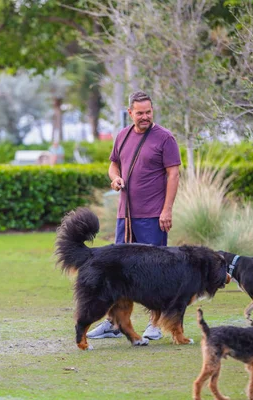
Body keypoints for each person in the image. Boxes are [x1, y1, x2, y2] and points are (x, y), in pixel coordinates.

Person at [86, 90, 181, 341]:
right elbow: (113, 163)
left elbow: (174, 175)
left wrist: (167, 209)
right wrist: (115, 178)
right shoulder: (122, 136)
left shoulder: (165, 138)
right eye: (140, 113)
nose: (145, 117)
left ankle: (155, 324)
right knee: (119, 273)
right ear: (130, 113)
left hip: (153, 216)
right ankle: (115, 324)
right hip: (125, 217)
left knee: (156, 272)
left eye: (148, 112)